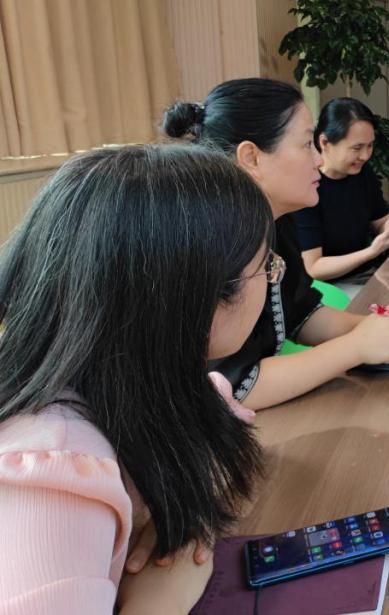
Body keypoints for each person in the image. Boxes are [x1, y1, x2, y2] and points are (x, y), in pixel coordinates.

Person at [0, 146, 268, 612]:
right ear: (201, 296)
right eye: (266, 267)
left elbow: (221, 413)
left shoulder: (129, 381)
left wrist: (181, 504)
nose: (271, 278)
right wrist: (162, 599)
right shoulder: (52, 476)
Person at [163, 79, 389, 411]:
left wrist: (377, 328)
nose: (317, 160)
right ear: (252, 158)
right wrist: (356, 346)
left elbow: (299, 313)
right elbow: (233, 385)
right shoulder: (211, 243)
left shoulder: (276, 222)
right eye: (306, 145)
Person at [294, 98, 389, 283]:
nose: (365, 156)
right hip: (327, 288)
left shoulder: (362, 172)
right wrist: (371, 251)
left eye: (370, 146)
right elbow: (313, 268)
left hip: (366, 277)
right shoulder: (306, 185)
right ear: (325, 142)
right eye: (357, 148)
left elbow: (379, 220)